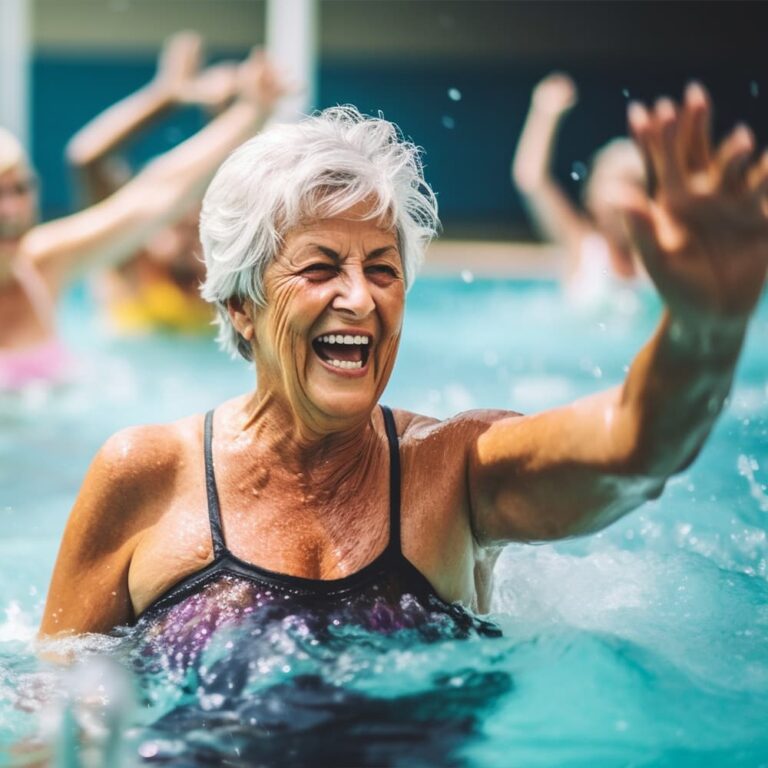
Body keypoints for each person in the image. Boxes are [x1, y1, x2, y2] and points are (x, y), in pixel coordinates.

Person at [39, 86, 768, 661]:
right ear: (241, 305)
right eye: (321, 267)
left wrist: (705, 330)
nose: (361, 298)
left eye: (383, 269)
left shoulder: (455, 470)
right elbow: (54, 711)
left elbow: (636, 450)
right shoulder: (145, 477)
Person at [0, 47, 284, 391]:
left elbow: (156, 193)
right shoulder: (133, 270)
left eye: (21, 189)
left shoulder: (41, 263)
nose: (12, 209)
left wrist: (250, 112)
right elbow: (88, 159)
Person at [66, 32, 242, 335]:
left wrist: (232, 113)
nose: (188, 237)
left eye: (196, 226)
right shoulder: (127, 263)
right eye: (175, 221)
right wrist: (164, 96)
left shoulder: (217, 279)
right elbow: (87, 159)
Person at [512, 73, 647, 308]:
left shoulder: (656, 260)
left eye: (636, 184)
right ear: (590, 196)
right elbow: (531, 179)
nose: (624, 197)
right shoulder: (583, 248)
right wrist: (544, 113)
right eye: (616, 182)